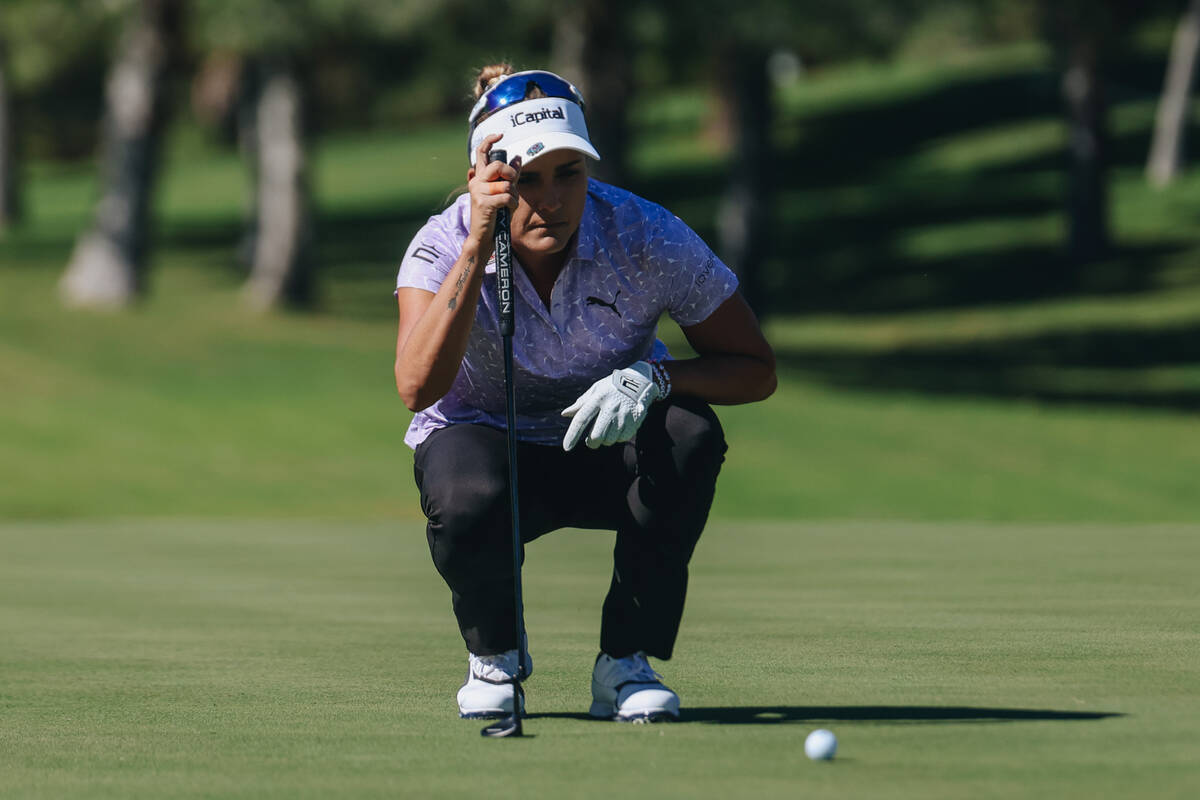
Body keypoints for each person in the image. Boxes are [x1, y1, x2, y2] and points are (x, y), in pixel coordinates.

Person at [394, 64, 776, 723]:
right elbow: (416, 385)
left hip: (610, 449)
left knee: (690, 433)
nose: (552, 198)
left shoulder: (645, 234)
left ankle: (625, 665)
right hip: (492, 460)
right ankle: (496, 658)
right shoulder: (441, 244)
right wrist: (479, 243)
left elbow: (753, 367)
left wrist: (657, 377)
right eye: (527, 179)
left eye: (568, 173)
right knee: (461, 484)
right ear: (484, 178)